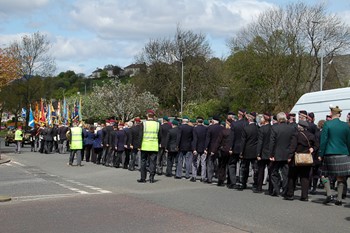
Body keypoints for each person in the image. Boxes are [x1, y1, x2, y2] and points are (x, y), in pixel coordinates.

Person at [319, 105, 350, 206]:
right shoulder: (346, 125)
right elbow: (349, 141)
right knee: (341, 177)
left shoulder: (327, 124)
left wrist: (321, 154)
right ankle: (339, 199)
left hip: (330, 153)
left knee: (324, 175)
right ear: (340, 114)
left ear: (332, 113)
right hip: (343, 154)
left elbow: (323, 141)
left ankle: (329, 194)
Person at [284, 120, 317, 201]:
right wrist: (313, 149)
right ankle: (304, 196)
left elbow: (293, 147)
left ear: (300, 126)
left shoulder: (296, 135)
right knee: (305, 177)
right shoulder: (311, 135)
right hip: (307, 159)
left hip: (297, 158)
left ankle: (290, 194)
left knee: (292, 177)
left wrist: (289, 157)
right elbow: (316, 145)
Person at [269, 112, 296, 197]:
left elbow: (272, 142)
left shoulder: (275, 128)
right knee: (285, 173)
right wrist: (290, 155)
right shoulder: (291, 128)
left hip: (277, 153)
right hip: (287, 154)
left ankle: (276, 189)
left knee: (274, 172)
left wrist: (271, 155)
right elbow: (293, 143)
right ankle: (284, 190)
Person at [138, 110, 160, 183]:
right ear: (153, 116)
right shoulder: (157, 124)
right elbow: (160, 136)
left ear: (147, 116)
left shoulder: (143, 124)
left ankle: (143, 178)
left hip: (145, 145)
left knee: (143, 162)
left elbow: (140, 135)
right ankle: (151, 178)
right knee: (153, 162)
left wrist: (139, 145)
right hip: (154, 146)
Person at [238, 112, 258, 190]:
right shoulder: (257, 128)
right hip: (255, 150)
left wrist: (241, 152)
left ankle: (242, 183)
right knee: (255, 169)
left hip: (246, 150)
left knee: (244, 168)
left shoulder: (246, 128)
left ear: (249, 119)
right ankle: (256, 183)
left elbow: (243, 141)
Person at [228, 109, 248, 189]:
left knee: (232, 164)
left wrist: (230, 147)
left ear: (239, 115)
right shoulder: (247, 124)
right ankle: (242, 182)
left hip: (235, 147)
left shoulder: (234, 124)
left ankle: (233, 182)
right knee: (243, 166)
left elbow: (232, 137)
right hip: (245, 147)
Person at [213, 119, 233, 186]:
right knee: (230, 166)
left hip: (223, 150)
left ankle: (221, 180)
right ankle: (230, 181)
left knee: (222, 166)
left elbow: (218, 142)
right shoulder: (233, 132)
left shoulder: (223, 131)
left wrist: (214, 150)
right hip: (231, 150)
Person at [256, 113, 272, 194]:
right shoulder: (273, 128)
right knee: (271, 171)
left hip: (263, 152)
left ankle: (259, 187)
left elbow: (260, 142)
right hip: (270, 152)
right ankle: (270, 189)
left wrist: (258, 153)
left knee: (261, 171)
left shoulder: (262, 129)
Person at [205, 115, 224, 184]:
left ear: (214, 120)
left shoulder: (210, 128)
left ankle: (209, 178)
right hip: (219, 148)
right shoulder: (222, 128)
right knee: (219, 164)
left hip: (211, 148)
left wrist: (206, 147)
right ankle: (219, 178)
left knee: (210, 163)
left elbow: (208, 139)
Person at [191, 116, 208, 182]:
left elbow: (195, 139)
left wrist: (194, 149)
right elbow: (207, 139)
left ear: (197, 121)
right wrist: (206, 148)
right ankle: (203, 177)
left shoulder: (195, 129)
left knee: (195, 162)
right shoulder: (206, 129)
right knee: (203, 163)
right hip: (203, 148)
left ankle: (194, 176)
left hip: (197, 147)